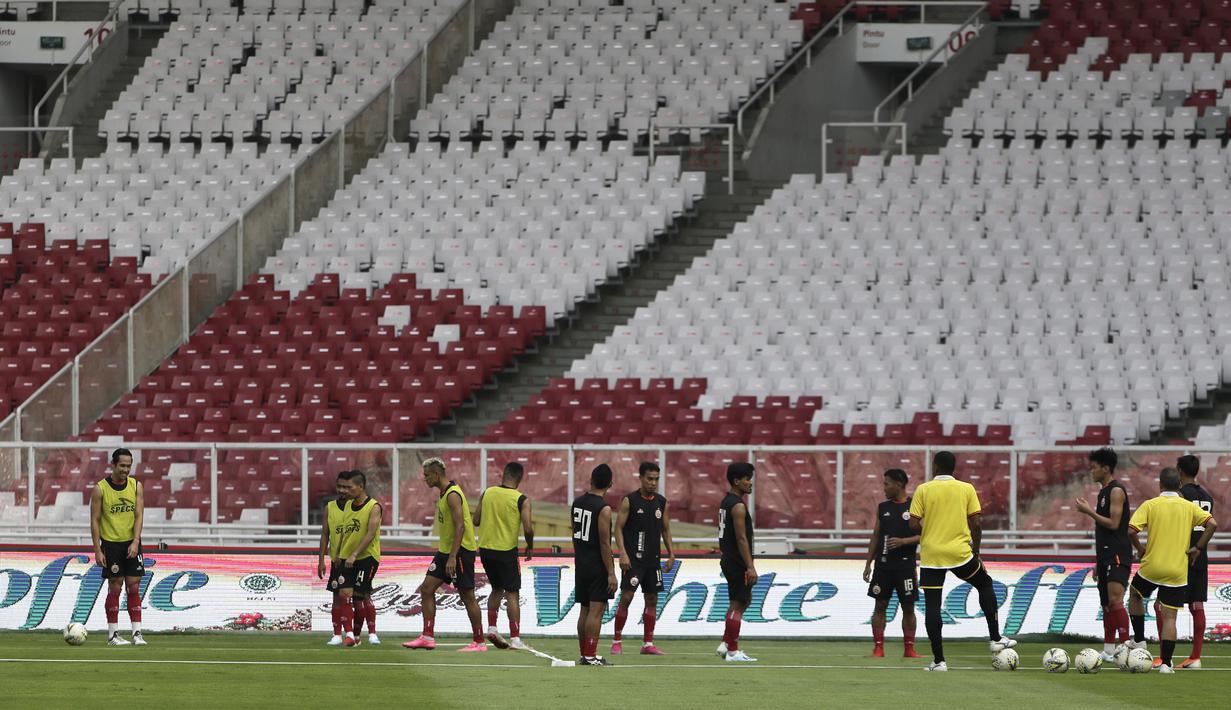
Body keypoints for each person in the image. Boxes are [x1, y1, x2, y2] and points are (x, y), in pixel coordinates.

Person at [909, 451, 1016, 672]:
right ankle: (995, 638)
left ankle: (939, 661)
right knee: (984, 584)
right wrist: (975, 551)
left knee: (932, 605)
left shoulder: (923, 489)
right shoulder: (966, 488)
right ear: (953, 468)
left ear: (935, 466)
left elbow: (912, 525)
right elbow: (976, 524)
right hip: (960, 554)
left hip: (932, 556)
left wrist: (930, 531)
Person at [1126, 467, 1217, 673]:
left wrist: (1140, 548)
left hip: (1152, 566)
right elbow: (1212, 524)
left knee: (1135, 594)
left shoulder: (1150, 505)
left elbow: (1131, 530)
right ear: (1179, 485)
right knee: (1170, 617)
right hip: (1177, 570)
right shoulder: (1188, 507)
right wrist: (1197, 548)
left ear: (1160, 485)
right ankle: (1166, 664)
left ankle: (1139, 640)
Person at [403, 458, 487, 652]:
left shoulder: (452, 495)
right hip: (445, 551)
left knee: (467, 596)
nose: (424, 479)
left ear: (436, 475)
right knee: (426, 589)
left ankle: (480, 642)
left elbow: (461, 526)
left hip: (460, 552)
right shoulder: (443, 494)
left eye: (426, 475)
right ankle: (427, 637)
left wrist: (452, 557)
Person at [1074, 447, 1132, 662]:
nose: (1092, 471)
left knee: (1116, 600)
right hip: (1106, 555)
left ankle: (1127, 648)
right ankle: (1108, 650)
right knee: (1107, 604)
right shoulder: (1104, 491)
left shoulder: (1116, 491)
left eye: (1094, 468)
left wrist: (1089, 511)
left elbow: (1114, 524)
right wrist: (1099, 561)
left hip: (1118, 553)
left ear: (1106, 468)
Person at [612, 461, 675, 656]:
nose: (653, 483)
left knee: (652, 599)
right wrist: (622, 553)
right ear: (640, 478)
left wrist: (671, 553)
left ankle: (648, 643)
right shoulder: (629, 500)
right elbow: (618, 529)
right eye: (649, 478)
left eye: (656, 479)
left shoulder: (662, 502)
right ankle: (617, 641)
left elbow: (665, 529)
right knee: (627, 598)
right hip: (633, 560)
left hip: (653, 561)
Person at [474, 461, 534, 651]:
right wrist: (530, 546)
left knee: (496, 589)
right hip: (506, 550)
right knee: (512, 593)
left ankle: (492, 628)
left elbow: (476, 520)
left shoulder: (487, 493)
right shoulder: (521, 499)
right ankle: (515, 639)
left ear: (503, 474)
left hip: (485, 549)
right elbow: (528, 528)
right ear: (520, 478)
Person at [90, 448, 146, 646]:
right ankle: (113, 635)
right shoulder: (100, 489)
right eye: (122, 465)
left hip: (131, 543)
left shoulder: (136, 486)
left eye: (129, 466)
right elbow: (95, 520)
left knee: (134, 586)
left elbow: (139, 515)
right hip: (111, 544)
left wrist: (135, 541)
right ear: (113, 465)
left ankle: (137, 633)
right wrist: (97, 549)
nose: (125, 469)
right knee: (115, 587)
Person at [863, 468, 920, 659]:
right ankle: (878, 648)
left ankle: (909, 649)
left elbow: (925, 535)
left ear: (899, 484)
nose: (884, 487)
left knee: (908, 607)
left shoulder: (914, 507)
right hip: (883, 566)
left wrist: (905, 542)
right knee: (880, 605)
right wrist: (868, 563)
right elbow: (876, 536)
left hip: (906, 567)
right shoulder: (883, 507)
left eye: (887, 483)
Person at [572, 463, 616, 666]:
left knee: (584, 609)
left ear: (591, 480)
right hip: (597, 564)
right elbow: (605, 543)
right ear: (610, 484)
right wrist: (611, 572)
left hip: (581, 563)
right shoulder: (604, 508)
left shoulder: (577, 503)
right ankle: (590, 656)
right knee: (596, 610)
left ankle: (585, 653)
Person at [1175, 454, 1214, 668]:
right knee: (1196, 606)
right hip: (1200, 556)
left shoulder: (1179, 496)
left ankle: (1164, 657)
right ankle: (1196, 657)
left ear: (1180, 471)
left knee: (1164, 606)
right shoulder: (1207, 496)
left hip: (1181, 557)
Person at [716, 462, 757, 663]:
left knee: (743, 601)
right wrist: (750, 566)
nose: (750, 483)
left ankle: (725, 642)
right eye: (747, 479)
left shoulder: (726, 502)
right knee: (738, 604)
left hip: (728, 558)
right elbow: (741, 538)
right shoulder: (738, 506)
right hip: (737, 561)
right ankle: (732, 651)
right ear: (736, 481)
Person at [339, 470, 382, 647]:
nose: (346, 490)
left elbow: (371, 533)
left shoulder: (374, 506)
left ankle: (357, 635)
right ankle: (352, 635)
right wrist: (338, 553)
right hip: (346, 557)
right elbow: (345, 530)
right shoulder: (348, 505)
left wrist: (355, 554)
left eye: (350, 487)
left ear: (361, 487)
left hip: (366, 557)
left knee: (360, 596)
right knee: (345, 594)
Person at [317, 471, 355, 646]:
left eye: (346, 487)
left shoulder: (357, 506)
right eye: (340, 486)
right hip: (336, 560)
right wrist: (321, 560)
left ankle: (355, 633)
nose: (342, 490)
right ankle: (337, 634)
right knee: (336, 597)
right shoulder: (330, 507)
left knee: (356, 597)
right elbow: (325, 534)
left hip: (354, 559)